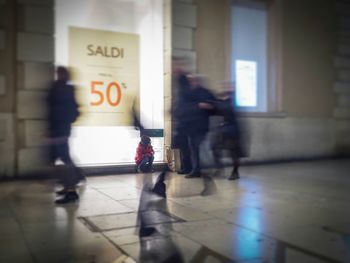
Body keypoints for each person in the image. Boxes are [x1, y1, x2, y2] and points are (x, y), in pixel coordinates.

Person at [47, 66, 81, 204]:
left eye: (60, 73)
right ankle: (70, 185)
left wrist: (62, 129)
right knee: (60, 158)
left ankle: (71, 190)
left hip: (60, 130)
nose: (58, 75)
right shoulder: (59, 87)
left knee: (64, 159)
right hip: (57, 129)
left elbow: (71, 110)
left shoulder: (65, 89)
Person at [183, 74, 216, 178]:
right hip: (191, 126)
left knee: (201, 148)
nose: (191, 83)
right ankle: (196, 170)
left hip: (201, 126)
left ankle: (209, 168)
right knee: (193, 148)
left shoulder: (205, 93)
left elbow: (214, 106)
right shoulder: (188, 93)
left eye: (192, 81)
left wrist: (206, 106)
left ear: (198, 81)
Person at [211, 82, 244, 180]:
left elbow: (227, 109)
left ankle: (235, 172)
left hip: (232, 130)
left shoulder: (233, 101)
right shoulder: (221, 101)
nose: (224, 89)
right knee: (215, 147)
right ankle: (219, 168)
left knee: (233, 152)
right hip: (223, 129)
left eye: (228, 87)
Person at [172, 57, 192, 174]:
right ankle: (186, 166)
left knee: (184, 145)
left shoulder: (184, 79)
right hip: (182, 118)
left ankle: (188, 167)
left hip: (185, 120)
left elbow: (184, 99)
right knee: (182, 145)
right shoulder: (179, 79)